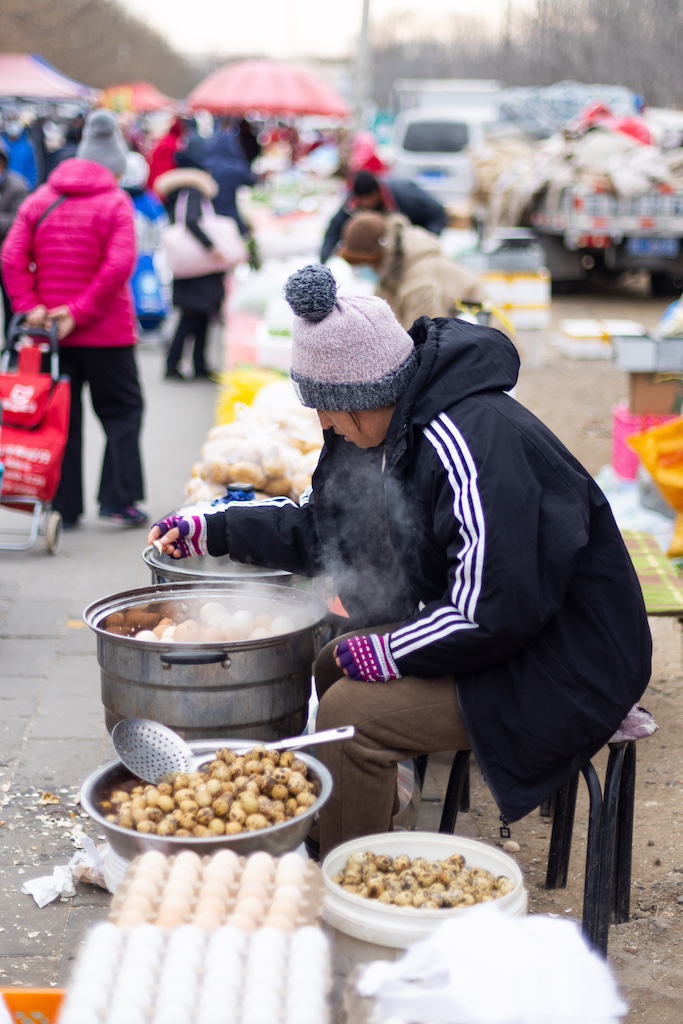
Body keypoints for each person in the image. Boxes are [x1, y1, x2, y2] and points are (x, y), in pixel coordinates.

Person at [148, 263, 653, 860]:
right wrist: (218, 527)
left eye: (328, 410)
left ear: (363, 396)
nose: (322, 424)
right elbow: (324, 528)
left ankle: (355, 885)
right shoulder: (377, 431)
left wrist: (392, 651)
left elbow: (493, 607)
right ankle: (353, 821)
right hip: (502, 632)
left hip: (562, 655)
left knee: (350, 718)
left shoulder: (470, 441)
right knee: (332, 663)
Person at [1, 109, 148, 530]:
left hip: (50, 334)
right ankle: (118, 501)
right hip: (107, 334)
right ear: (116, 166)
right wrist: (78, 311)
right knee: (123, 411)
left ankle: (64, 507)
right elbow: (119, 264)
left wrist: (32, 307)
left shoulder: (40, 198)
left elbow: (11, 256)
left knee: (61, 416)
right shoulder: (116, 201)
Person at [338, 210, 486, 330]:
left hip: (485, 350)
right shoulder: (394, 273)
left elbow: (422, 344)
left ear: (377, 256)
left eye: (365, 264)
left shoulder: (419, 281)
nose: (365, 271)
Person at [154, 149, 226, 381]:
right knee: (195, 319)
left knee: (192, 318)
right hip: (199, 269)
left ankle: (191, 364)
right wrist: (211, 246)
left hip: (187, 267)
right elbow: (193, 221)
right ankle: (182, 365)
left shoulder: (175, 193)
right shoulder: (193, 192)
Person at [320, 169, 448, 264]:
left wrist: (424, 241)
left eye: (367, 200)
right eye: (360, 201)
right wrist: (324, 263)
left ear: (377, 193)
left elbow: (438, 213)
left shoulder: (405, 193)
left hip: (414, 240)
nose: (363, 205)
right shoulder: (354, 201)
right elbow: (334, 230)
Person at [0, 139, 29, 343]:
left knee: (11, 303)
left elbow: (18, 222)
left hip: (7, 255)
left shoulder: (17, 185)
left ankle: (12, 344)